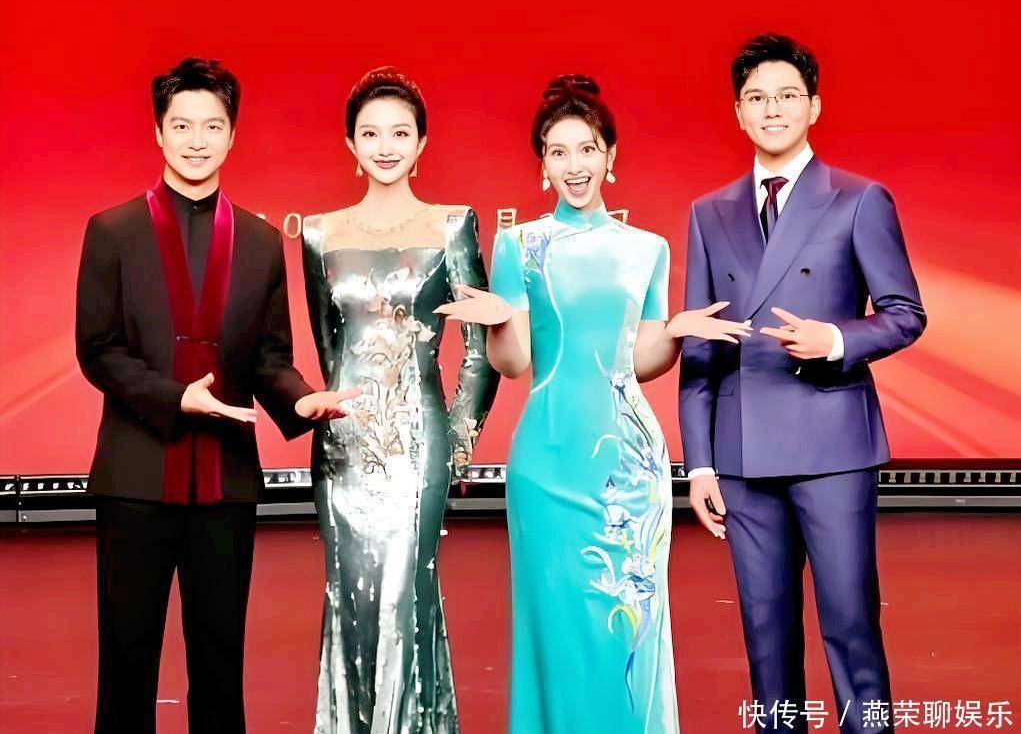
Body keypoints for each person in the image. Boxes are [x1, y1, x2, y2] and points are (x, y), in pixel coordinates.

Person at [440, 75, 749, 734]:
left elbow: (640, 362)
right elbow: (515, 364)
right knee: (556, 627)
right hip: (547, 462)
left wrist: (674, 332)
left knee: (626, 633)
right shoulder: (518, 246)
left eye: (586, 149)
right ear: (542, 164)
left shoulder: (647, 250)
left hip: (630, 470)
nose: (574, 165)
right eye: (558, 152)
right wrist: (499, 321)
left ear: (611, 156)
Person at [76, 56, 352, 734]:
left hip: (226, 485)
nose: (196, 140)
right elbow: (99, 350)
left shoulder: (259, 241)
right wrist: (177, 398)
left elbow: (269, 359)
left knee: (220, 665)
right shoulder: (111, 231)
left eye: (212, 126)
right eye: (181, 125)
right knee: (126, 664)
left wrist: (301, 401)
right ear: (158, 133)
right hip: (134, 478)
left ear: (232, 134)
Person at [679, 34, 927, 734]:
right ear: (737, 112)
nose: (772, 109)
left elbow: (905, 314)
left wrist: (836, 341)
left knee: (850, 624)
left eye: (787, 95)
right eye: (756, 98)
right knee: (765, 635)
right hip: (742, 454)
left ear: (813, 106)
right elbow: (700, 344)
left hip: (831, 444)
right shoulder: (708, 212)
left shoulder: (858, 199)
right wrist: (700, 463)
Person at [301, 66, 499, 734]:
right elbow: (329, 350)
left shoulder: (451, 225)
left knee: (405, 599)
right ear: (349, 144)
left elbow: (479, 352)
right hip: (342, 450)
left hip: (419, 445)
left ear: (421, 143)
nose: (385, 146)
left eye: (400, 133)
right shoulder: (318, 235)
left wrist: (457, 448)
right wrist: (337, 423)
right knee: (349, 599)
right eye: (370, 133)